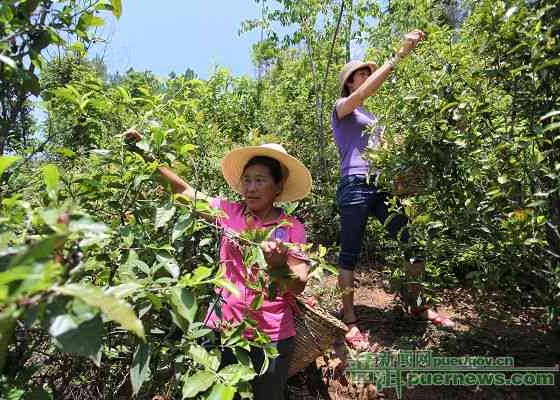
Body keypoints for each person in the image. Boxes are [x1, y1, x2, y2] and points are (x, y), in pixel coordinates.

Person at [125, 131, 312, 400]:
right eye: (246, 180)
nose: (251, 187)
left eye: (260, 180)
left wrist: (278, 266)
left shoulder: (291, 228)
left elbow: (299, 284)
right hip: (223, 330)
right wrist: (144, 152)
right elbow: (183, 191)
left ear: (277, 187)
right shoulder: (229, 212)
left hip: (271, 336)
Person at [331, 30, 454, 351]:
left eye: (366, 75)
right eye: (361, 75)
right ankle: (350, 322)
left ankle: (414, 303)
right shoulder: (343, 106)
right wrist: (400, 54)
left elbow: (392, 153)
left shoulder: (374, 117)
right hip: (354, 185)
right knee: (350, 256)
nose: (366, 78)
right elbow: (361, 96)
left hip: (381, 187)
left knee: (414, 244)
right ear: (349, 82)